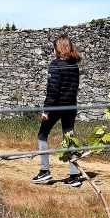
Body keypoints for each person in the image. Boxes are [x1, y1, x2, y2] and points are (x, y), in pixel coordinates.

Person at [32, 35, 83, 187]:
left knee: (42, 135)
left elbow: (52, 90)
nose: (53, 50)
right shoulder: (74, 65)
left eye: (53, 47)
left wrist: (46, 110)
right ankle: (74, 176)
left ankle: (44, 171)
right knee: (69, 138)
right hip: (71, 106)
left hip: (56, 107)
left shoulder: (55, 64)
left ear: (58, 48)